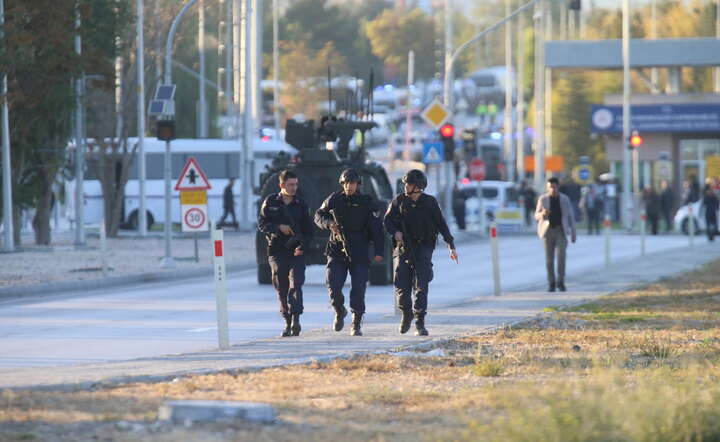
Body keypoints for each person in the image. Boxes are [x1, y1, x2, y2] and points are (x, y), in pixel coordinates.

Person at [383, 169, 459, 336]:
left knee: (421, 285)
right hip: (404, 248)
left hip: (424, 247)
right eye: (405, 184)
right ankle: (406, 313)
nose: (406, 187)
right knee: (401, 285)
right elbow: (387, 221)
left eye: (409, 184)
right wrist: (395, 232)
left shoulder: (430, 202)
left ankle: (420, 322)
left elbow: (441, 224)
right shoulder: (399, 201)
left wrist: (450, 245)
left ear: (418, 187)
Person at [314, 169, 385, 336]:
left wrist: (379, 251)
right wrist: (329, 223)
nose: (349, 186)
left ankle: (356, 321)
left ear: (358, 185)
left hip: (359, 249)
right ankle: (339, 310)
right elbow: (318, 216)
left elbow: (377, 228)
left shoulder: (366, 202)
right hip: (337, 249)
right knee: (333, 284)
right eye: (346, 183)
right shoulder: (334, 199)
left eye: (352, 183)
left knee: (358, 288)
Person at [257, 170, 314, 337]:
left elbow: (308, 230)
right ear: (281, 185)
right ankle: (287, 321)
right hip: (276, 250)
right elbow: (262, 223)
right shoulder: (270, 202)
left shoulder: (301, 204)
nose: (294, 187)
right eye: (290, 184)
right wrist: (278, 228)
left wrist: (302, 247)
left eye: (295, 184)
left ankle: (296, 319)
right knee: (281, 287)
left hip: (296, 250)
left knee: (296, 283)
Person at [535, 177, 577, 292]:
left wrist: (573, 232)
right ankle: (551, 282)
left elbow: (570, 216)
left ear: (557, 187)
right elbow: (536, 216)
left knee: (561, 257)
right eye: (550, 187)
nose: (552, 189)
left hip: (561, 231)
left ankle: (561, 281)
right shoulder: (543, 199)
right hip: (548, 231)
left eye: (554, 187)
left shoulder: (564, 199)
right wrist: (542, 214)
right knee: (549, 259)